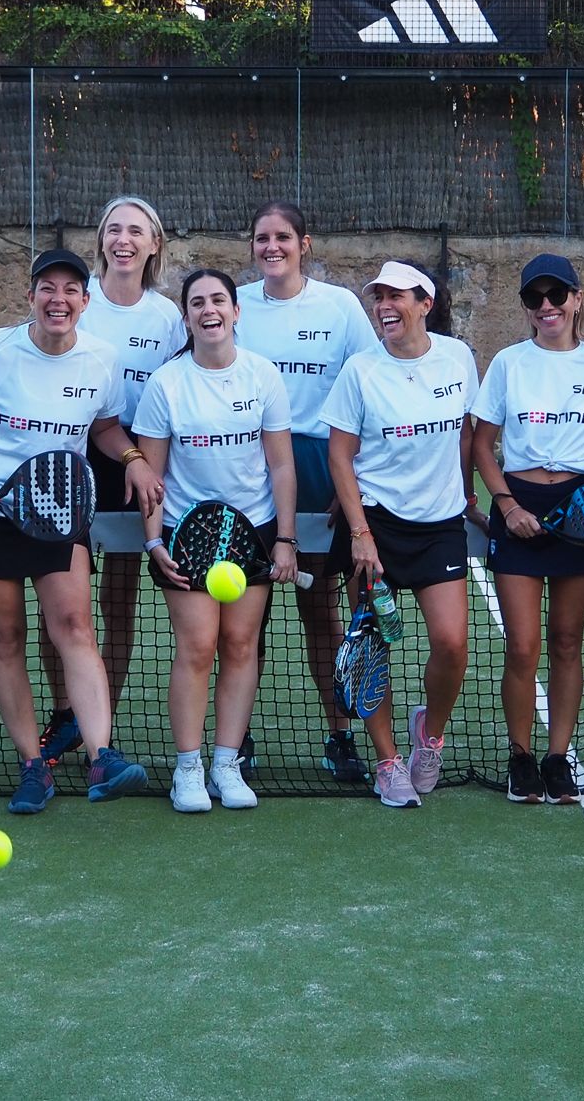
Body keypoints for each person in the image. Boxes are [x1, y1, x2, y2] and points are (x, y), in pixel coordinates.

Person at [0, 248, 158, 814]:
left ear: (86, 301)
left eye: (70, 290)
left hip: (61, 511)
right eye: (47, 289)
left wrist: (132, 456)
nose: (57, 300)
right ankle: (33, 766)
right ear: (31, 296)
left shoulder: (101, 358)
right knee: (6, 638)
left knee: (75, 628)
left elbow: (106, 426)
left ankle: (101, 754)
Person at [135, 267, 299, 812]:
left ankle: (226, 764)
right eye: (198, 303)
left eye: (218, 301)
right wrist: (154, 543)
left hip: (253, 534)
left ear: (235, 311)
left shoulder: (263, 375)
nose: (209, 310)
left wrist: (286, 539)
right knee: (199, 646)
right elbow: (153, 476)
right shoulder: (166, 384)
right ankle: (188, 768)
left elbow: (280, 465)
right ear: (186, 316)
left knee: (241, 646)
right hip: (186, 533)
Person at [31, 196, 185, 767]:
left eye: (135, 231)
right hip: (70, 461)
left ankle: (103, 726)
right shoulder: (76, 302)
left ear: (153, 245)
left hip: (135, 466)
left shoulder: (169, 318)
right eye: (113, 230)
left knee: (118, 601)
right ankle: (66, 711)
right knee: (60, 602)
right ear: (101, 242)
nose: (123, 239)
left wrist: (143, 462)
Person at [321, 259, 479, 809]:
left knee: (452, 644)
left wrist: (468, 493)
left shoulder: (458, 359)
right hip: (376, 523)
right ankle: (388, 761)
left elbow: (464, 431)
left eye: (397, 297)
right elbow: (340, 455)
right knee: (373, 649)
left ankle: (428, 737)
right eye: (379, 298)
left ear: (425, 305)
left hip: (440, 526)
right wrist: (360, 533)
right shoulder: (360, 371)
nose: (385, 306)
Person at [235, 200, 383, 784]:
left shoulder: (341, 307)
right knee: (245, 619)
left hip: (320, 468)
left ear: (305, 244)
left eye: (283, 237)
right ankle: (235, 739)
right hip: (248, 468)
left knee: (321, 611)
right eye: (261, 237)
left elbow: (368, 387)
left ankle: (340, 735)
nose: (272, 247)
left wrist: (346, 478)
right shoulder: (234, 304)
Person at [470, 253, 584, 805]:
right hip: (520, 502)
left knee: (565, 641)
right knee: (523, 646)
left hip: (578, 510)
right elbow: (481, 444)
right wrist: (506, 506)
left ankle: (558, 757)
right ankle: (521, 757)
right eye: (534, 298)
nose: (546, 306)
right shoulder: (509, 363)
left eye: (556, 295)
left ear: (577, 299)